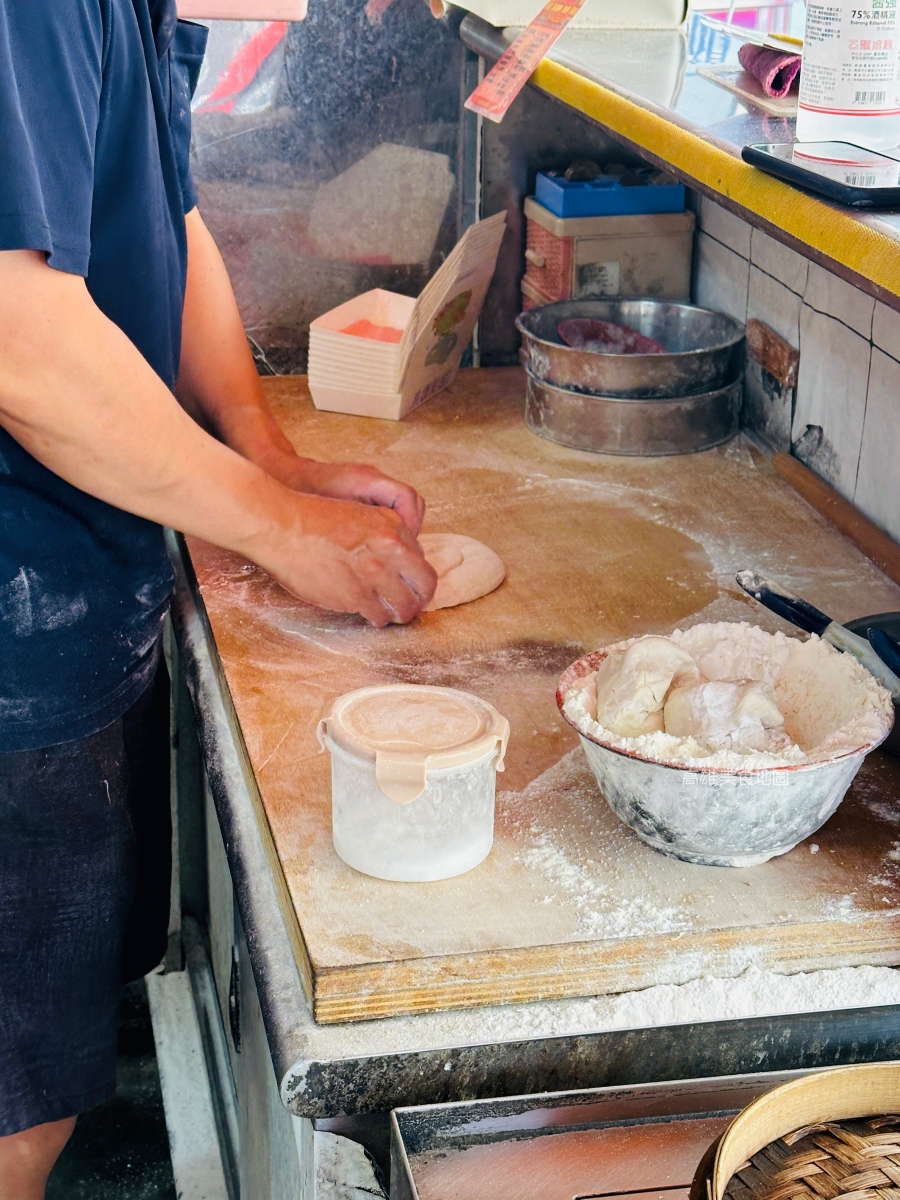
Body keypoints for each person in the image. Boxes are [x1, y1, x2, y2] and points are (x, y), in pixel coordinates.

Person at [0, 1, 437, 1194]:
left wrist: (266, 458)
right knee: (12, 1108)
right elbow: (16, 333)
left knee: (44, 1068)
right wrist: (278, 528)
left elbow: (166, 220)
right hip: (14, 629)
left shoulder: (145, 9)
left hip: (75, 599)